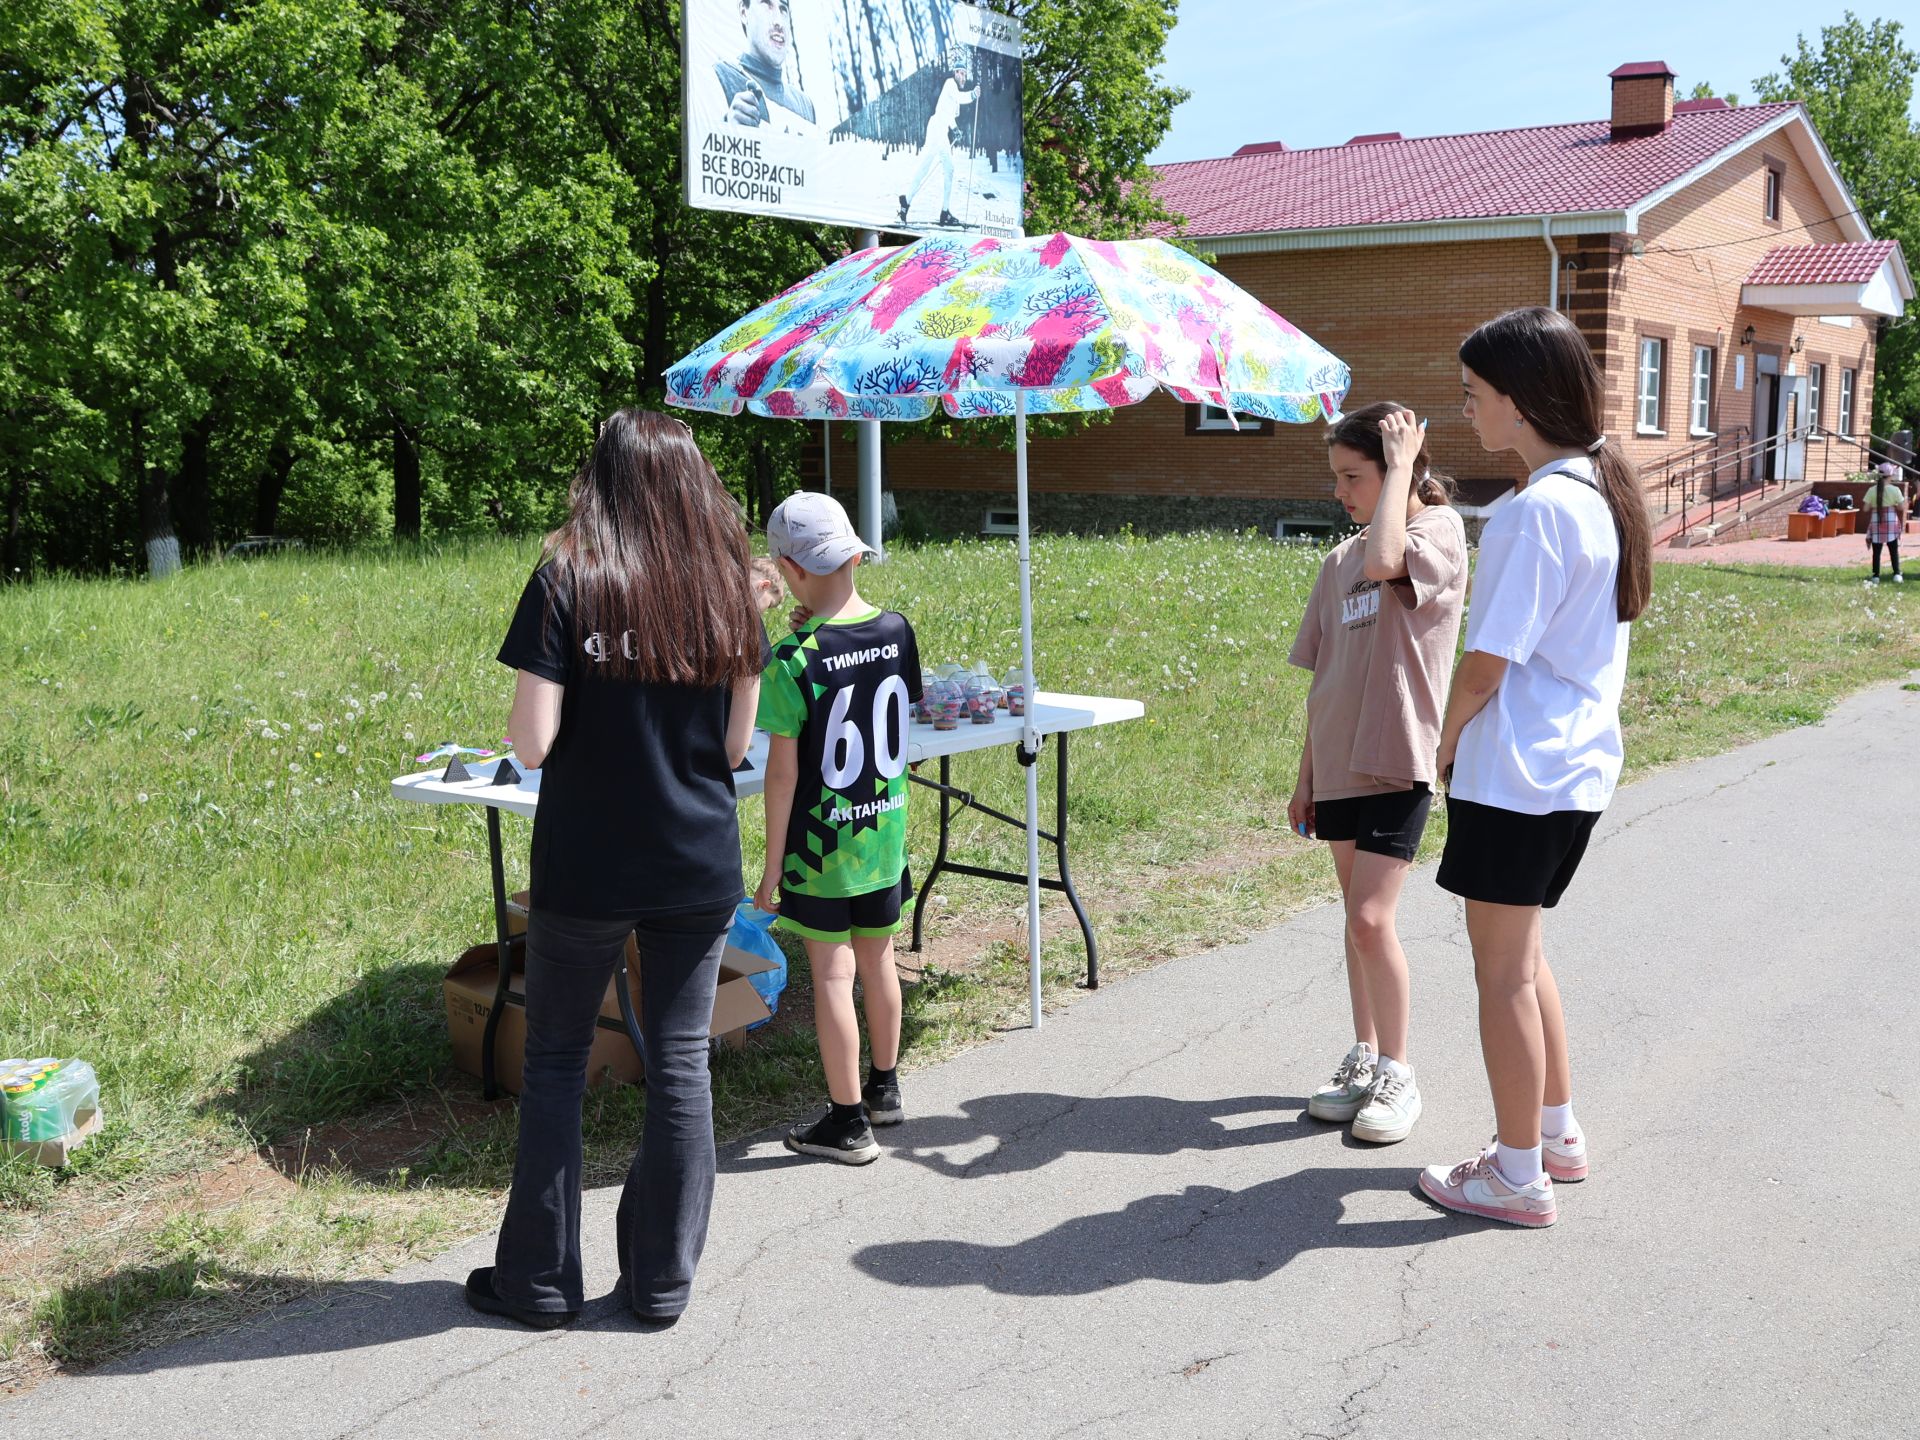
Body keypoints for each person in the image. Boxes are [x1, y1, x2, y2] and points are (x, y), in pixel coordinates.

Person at [467, 410, 768, 1329]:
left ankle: (539, 1284)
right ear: (692, 482)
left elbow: (532, 742)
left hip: (589, 862)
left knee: (556, 1061)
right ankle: (661, 1281)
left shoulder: (566, 575)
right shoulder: (729, 586)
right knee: (681, 1062)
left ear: (600, 479)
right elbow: (736, 742)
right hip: (695, 859)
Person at [1420, 307, 1653, 1228]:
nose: (1469, 410)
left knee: (1502, 976)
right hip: (1571, 772)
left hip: (1518, 775)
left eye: (1475, 396)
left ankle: (1517, 1174)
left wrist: (1439, 741)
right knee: (1525, 960)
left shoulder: (1534, 510)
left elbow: (1488, 659)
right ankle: (1553, 1134)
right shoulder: (1598, 493)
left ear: (1516, 403)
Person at [1288, 404, 1468, 1147]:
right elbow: (1323, 676)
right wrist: (1304, 773)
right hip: (1335, 762)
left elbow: (1387, 562)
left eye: (1353, 476)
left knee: (1372, 919)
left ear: (1397, 471)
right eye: (1336, 479)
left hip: (1397, 756)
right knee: (1354, 925)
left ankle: (1399, 1070)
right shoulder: (1337, 563)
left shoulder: (1436, 533)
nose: (1341, 492)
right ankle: (1364, 1056)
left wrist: (1399, 473)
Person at [754, 493, 922, 1165]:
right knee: (879, 957)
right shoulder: (898, 629)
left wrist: (771, 871)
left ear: (788, 569)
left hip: (821, 848)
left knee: (831, 972)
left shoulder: (792, 659)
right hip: (883, 833)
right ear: (856, 554)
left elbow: (782, 778)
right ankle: (886, 1087)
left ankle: (848, 1122)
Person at [711, 0, 817, 136]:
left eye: (783, 9)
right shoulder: (721, 76)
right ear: (744, 12)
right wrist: (729, 132)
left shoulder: (806, 106)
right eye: (767, 4)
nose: (779, 22)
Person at [897, 49, 977, 229]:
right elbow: (949, 108)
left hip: (940, 131)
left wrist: (955, 129)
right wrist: (972, 95)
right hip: (936, 130)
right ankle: (916, 204)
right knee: (935, 167)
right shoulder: (950, 84)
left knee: (944, 168)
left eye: (964, 74)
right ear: (955, 73)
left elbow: (948, 114)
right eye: (960, 72)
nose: (962, 76)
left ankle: (934, 209)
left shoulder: (954, 93)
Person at [1862, 462, 1906, 583]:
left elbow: (1865, 509)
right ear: (1891, 475)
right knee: (1893, 549)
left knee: (1876, 551)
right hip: (1891, 521)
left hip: (1877, 520)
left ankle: (1876, 575)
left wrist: (1874, 504)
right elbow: (1901, 508)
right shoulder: (1895, 490)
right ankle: (1897, 574)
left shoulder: (1871, 490)